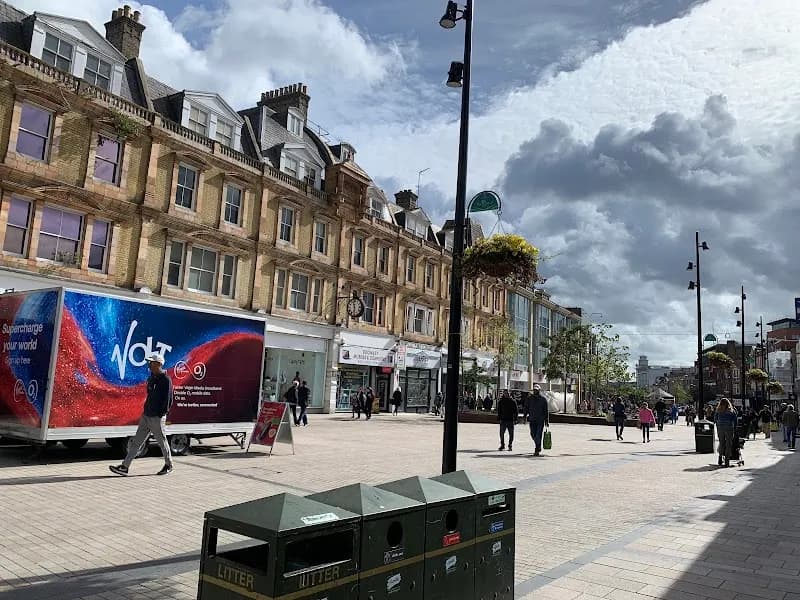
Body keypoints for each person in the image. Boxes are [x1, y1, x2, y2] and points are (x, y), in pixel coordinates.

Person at [110, 354, 174, 476]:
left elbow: (168, 400)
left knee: (162, 442)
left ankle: (169, 465)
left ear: (159, 364)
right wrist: (146, 411)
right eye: (149, 362)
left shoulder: (166, 380)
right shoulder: (151, 378)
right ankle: (124, 467)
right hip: (146, 416)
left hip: (156, 417)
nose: (149, 364)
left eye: (151, 362)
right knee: (136, 442)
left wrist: (160, 414)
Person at [525, 384, 549, 456]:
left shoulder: (543, 400)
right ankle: (538, 445)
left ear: (539, 390)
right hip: (532, 419)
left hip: (540, 420)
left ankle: (537, 448)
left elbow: (546, 411)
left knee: (538, 435)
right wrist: (524, 416)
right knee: (533, 434)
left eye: (536, 390)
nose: (535, 391)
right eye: (534, 390)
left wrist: (546, 421)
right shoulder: (529, 399)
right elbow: (526, 408)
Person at [714, 398, 737, 467]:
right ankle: (727, 461)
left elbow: (715, 419)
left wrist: (718, 424)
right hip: (729, 427)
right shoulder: (731, 410)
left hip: (720, 428)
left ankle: (720, 457)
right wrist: (735, 427)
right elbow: (735, 420)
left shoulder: (718, 410)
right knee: (728, 444)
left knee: (722, 443)